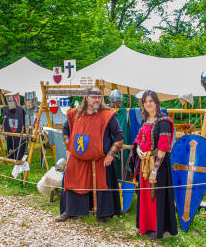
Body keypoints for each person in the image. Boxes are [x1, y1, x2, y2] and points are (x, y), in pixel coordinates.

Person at [56, 87, 124, 224]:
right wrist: (69, 148)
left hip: (99, 160)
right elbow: (65, 130)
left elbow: (119, 135)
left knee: (101, 185)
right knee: (72, 182)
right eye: (94, 97)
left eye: (99, 97)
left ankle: (102, 213)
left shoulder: (106, 115)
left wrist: (110, 154)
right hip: (77, 159)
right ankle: (69, 210)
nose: (97, 100)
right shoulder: (75, 114)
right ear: (86, 98)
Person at [133, 90, 178, 239]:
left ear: (157, 103)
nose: (148, 104)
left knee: (156, 197)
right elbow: (139, 139)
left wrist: (155, 170)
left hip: (159, 166)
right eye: (146, 101)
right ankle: (146, 225)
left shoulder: (164, 122)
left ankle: (157, 228)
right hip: (145, 165)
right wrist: (139, 149)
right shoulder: (144, 121)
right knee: (146, 196)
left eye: (151, 101)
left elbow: (163, 149)